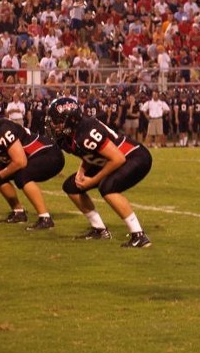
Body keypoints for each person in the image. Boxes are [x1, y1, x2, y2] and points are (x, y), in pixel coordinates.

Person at [46, 97, 153, 247]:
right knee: (71, 186)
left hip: (134, 156)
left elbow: (118, 159)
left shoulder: (87, 132)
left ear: (70, 120)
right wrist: (81, 171)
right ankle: (99, 230)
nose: (53, 124)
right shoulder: (68, 137)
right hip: (111, 159)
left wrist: (93, 180)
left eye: (57, 121)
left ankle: (139, 235)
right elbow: (89, 154)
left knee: (107, 187)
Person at [0, 100, 64, 229]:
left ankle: (45, 218)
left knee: (22, 175)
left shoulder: (2, 129)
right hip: (31, 157)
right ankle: (18, 213)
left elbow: (20, 161)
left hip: (48, 153)